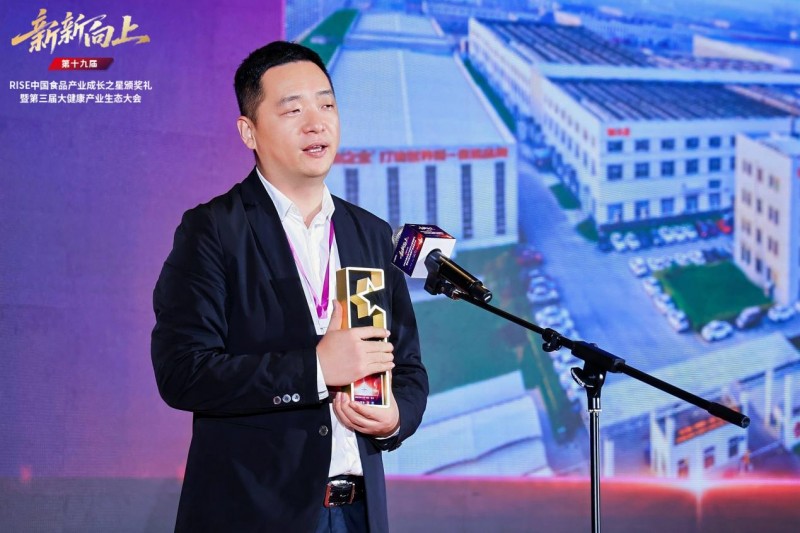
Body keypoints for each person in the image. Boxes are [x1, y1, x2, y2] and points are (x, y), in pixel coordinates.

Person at [151, 41, 429, 532]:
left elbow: (407, 367)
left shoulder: (369, 233)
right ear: (249, 131)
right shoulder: (214, 230)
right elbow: (183, 372)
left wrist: (395, 419)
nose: (316, 123)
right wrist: (316, 369)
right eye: (293, 110)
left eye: (326, 105)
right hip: (255, 515)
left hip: (358, 513)